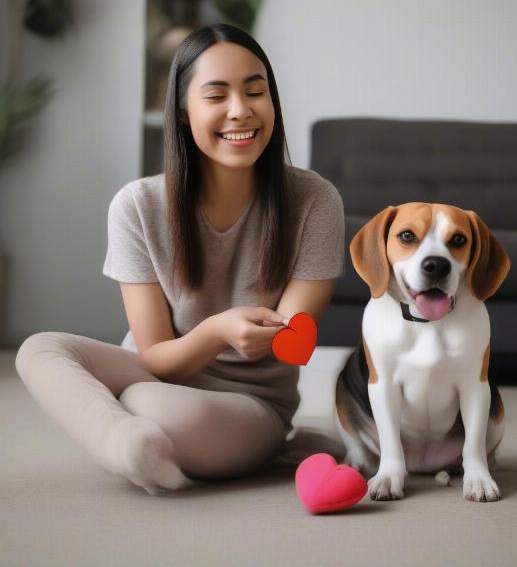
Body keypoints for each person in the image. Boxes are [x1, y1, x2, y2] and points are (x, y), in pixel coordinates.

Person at [15, 24, 345, 495]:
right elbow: (155, 358)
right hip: (153, 367)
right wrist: (216, 331)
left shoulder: (315, 200)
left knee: (158, 408)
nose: (241, 110)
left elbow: (294, 341)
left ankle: (172, 432)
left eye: (256, 91)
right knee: (39, 350)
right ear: (184, 113)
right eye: (216, 96)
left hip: (250, 401)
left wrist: (276, 334)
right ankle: (125, 441)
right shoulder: (137, 206)